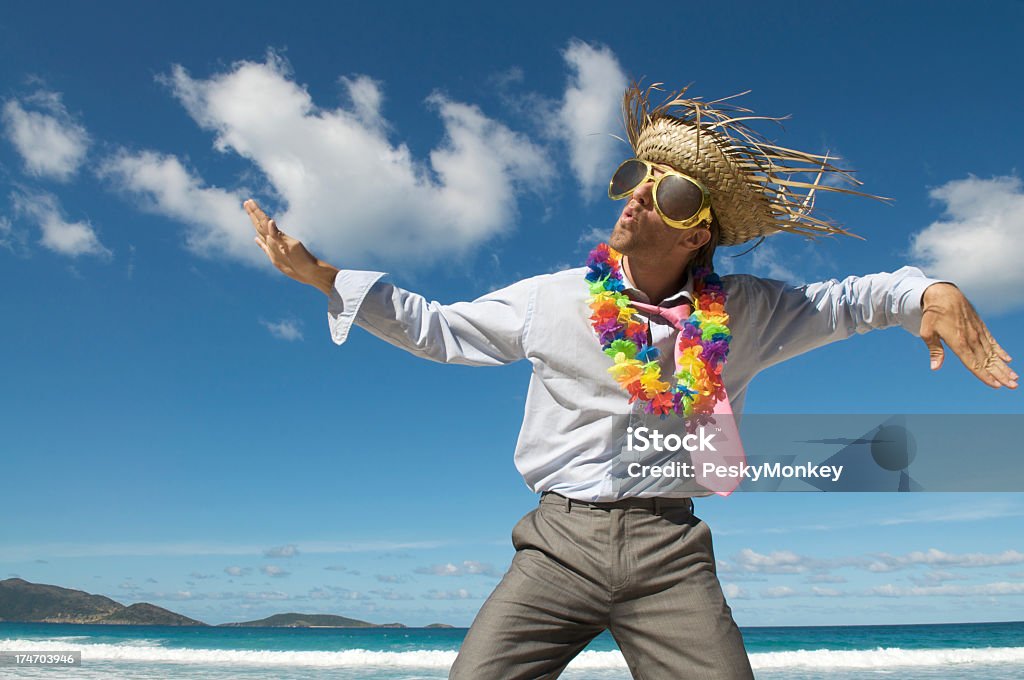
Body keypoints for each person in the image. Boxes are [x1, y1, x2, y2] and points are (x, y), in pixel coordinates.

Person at [243, 82, 1016, 679]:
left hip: (668, 548)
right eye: (634, 177)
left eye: (670, 192)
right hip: (558, 543)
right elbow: (440, 329)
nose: (641, 195)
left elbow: (847, 302)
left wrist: (929, 291)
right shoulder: (554, 298)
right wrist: (324, 277)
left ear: (699, 230)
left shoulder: (745, 313)